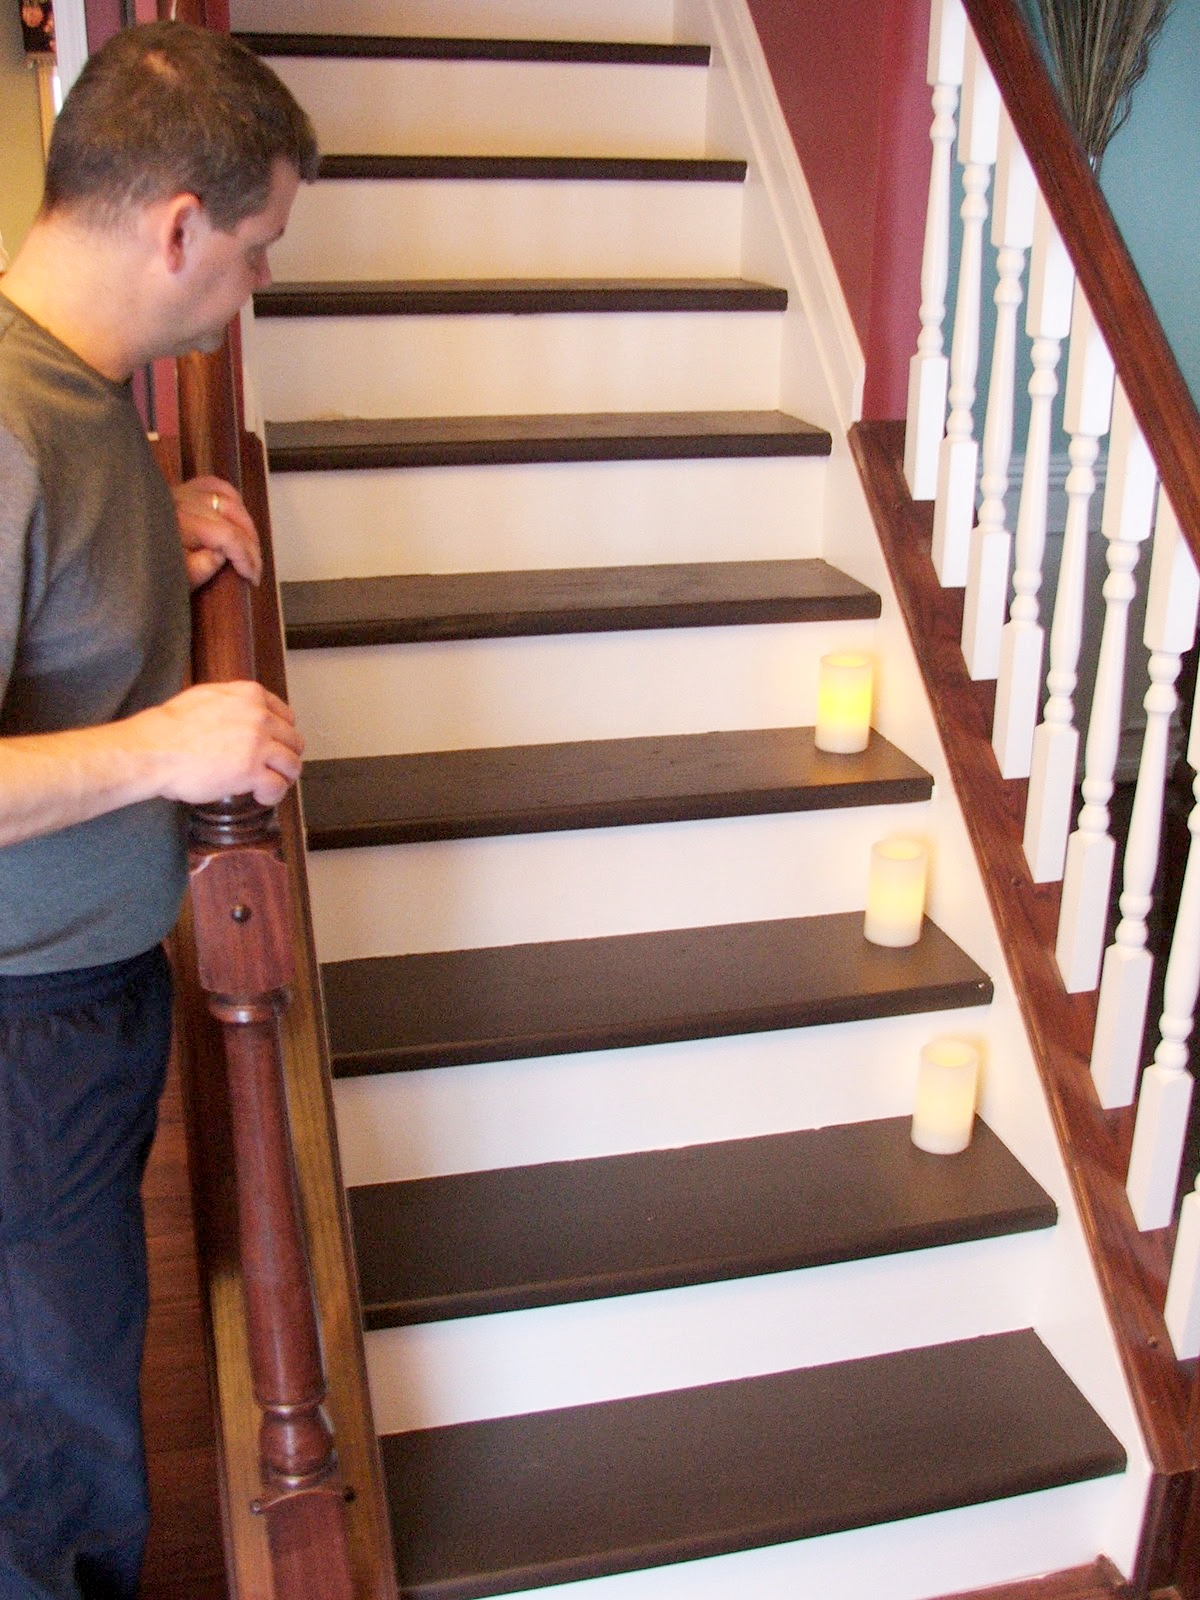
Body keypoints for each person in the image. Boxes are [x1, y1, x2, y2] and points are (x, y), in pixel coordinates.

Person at [0, 21, 318, 1598]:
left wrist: (154, 526)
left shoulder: (83, 398)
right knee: (48, 1462)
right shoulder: (4, 416)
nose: (249, 288)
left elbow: (47, 619)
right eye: (253, 251)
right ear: (177, 226)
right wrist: (165, 748)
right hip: (20, 1042)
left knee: (73, 1414)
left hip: (78, 1017)